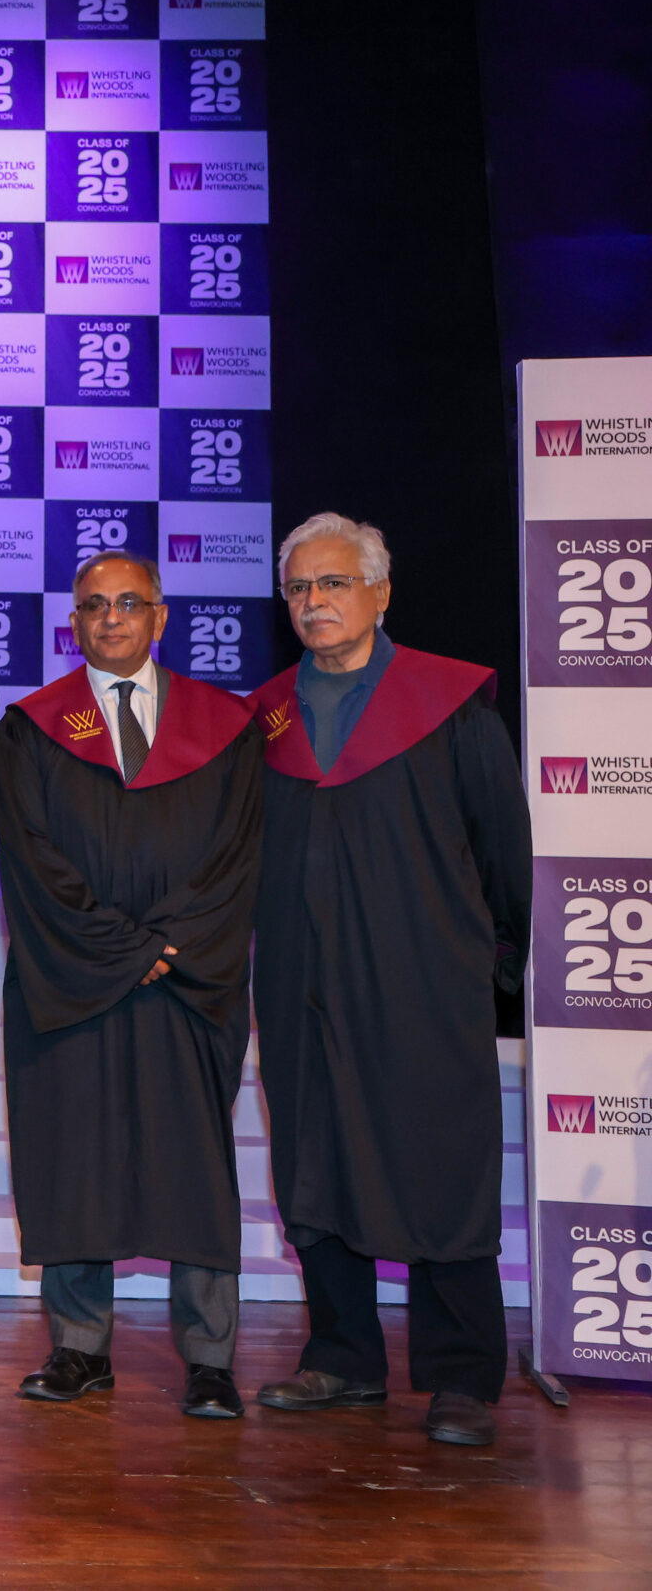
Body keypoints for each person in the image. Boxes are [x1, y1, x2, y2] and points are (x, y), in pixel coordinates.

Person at [247, 513, 530, 1447]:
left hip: (423, 977)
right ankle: (342, 1358)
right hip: (299, 979)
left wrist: (483, 965)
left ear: (380, 592)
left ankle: (459, 1378)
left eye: (333, 583)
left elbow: (504, 854)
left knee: (439, 1163)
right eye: (299, 588)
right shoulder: (268, 716)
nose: (315, 602)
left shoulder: (450, 705)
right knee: (315, 1160)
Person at [0, 551, 262, 1419]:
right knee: (75, 1159)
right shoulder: (33, 727)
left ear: (162, 616)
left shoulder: (226, 724)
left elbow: (235, 857)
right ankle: (80, 1348)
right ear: (72, 622)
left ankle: (212, 1357)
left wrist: (169, 948)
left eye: (129, 604)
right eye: (93, 607)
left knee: (194, 1166)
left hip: (188, 985)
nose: (110, 619)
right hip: (74, 980)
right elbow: (33, 863)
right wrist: (121, 950)